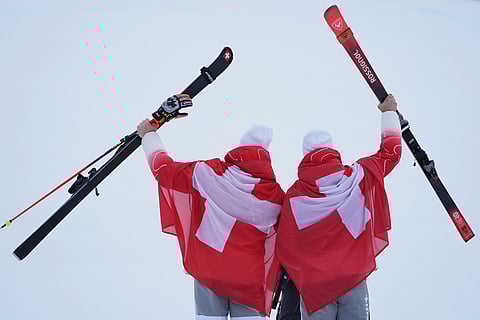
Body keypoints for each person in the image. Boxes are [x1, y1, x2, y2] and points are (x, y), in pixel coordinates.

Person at [137, 94, 285, 320]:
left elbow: (164, 170)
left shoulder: (210, 174)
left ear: (240, 149)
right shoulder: (276, 197)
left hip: (209, 271)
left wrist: (149, 136)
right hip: (249, 280)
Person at [276, 94, 402, 320]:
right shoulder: (357, 177)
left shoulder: (295, 197)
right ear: (332, 150)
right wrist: (389, 113)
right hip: (352, 279)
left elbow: (285, 247)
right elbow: (391, 154)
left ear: (305, 155)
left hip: (315, 287)